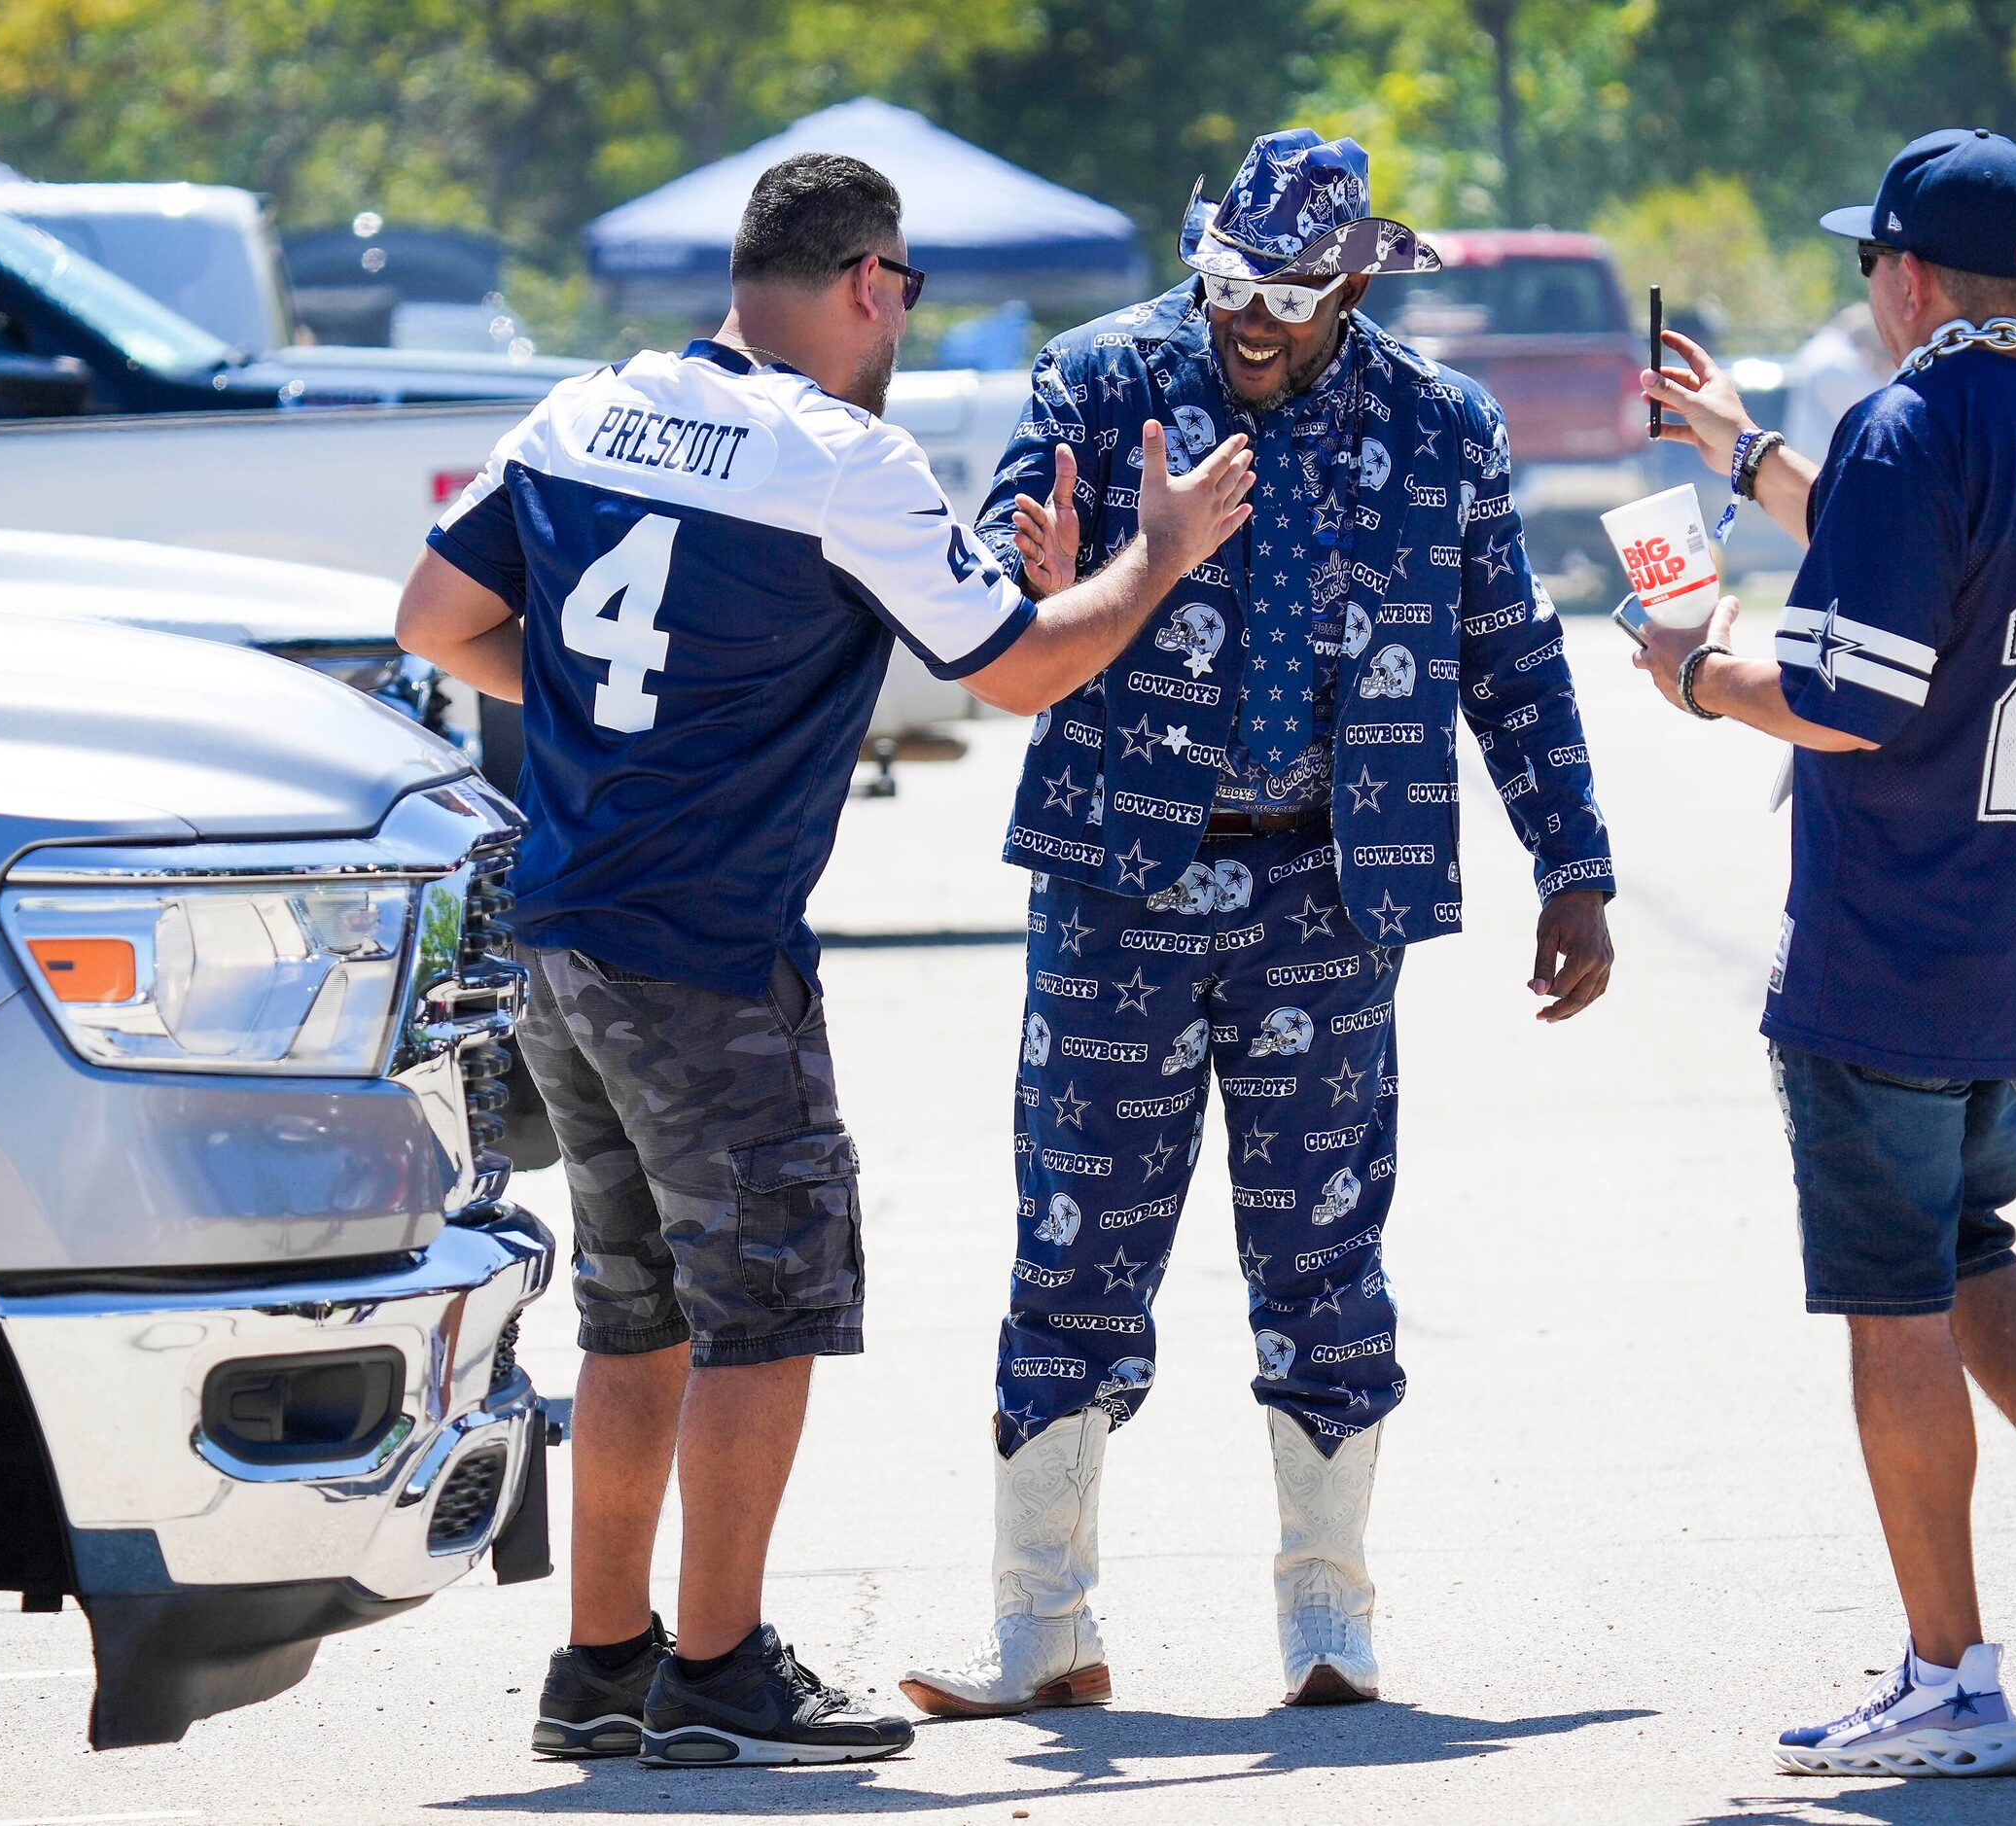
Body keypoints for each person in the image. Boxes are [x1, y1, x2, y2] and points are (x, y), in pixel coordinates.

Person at [395, 152, 1253, 1769]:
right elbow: (1012, 679)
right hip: (706, 953)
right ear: (867, 278)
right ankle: (716, 1670)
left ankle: (601, 1662)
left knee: (632, 1310)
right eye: (906, 289)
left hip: (562, 922)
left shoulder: (583, 408)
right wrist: (1157, 559)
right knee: (766, 1306)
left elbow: (435, 618)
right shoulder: (839, 454)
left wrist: (596, 728)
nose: (903, 319)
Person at [900, 129, 1616, 1719]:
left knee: (1322, 1258)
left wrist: (1571, 862)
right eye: (1227, 282)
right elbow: (990, 582)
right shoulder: (1099, 382)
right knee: (1070, 1252)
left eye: (1284, 296)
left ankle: (1326, 1621)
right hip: (1118, 884)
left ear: (1353, 281)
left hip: (1324, 893)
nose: (1246, 319)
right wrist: (1029, 569)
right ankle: (1040, 1625)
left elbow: (1509, 653)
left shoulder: (1438, 429)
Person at [1631, 128, 2016, 1777]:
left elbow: (1843, 693)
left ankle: (1943, 1673)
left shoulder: (1907, 423)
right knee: (1969, 1241)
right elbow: (1938, 568)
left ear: (1904, 274)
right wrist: (1745, 454)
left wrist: (1693, 671)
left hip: (1887, 926)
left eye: (1865, 264)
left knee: (1891, 1294)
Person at [1780, 301, 1889, 466]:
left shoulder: (1820, 349)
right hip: (1823, 462)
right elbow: (1872, 411)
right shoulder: (1838, 362)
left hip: (1810, 456)